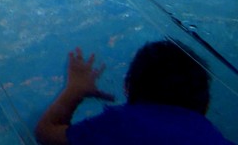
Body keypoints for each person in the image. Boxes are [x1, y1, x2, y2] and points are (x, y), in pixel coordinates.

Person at [35, 41, 235, 145]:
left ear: (128, 88)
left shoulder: (120, 125)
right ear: (206, 103)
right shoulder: (217, 139)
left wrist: (75, 89)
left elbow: (46, 134)